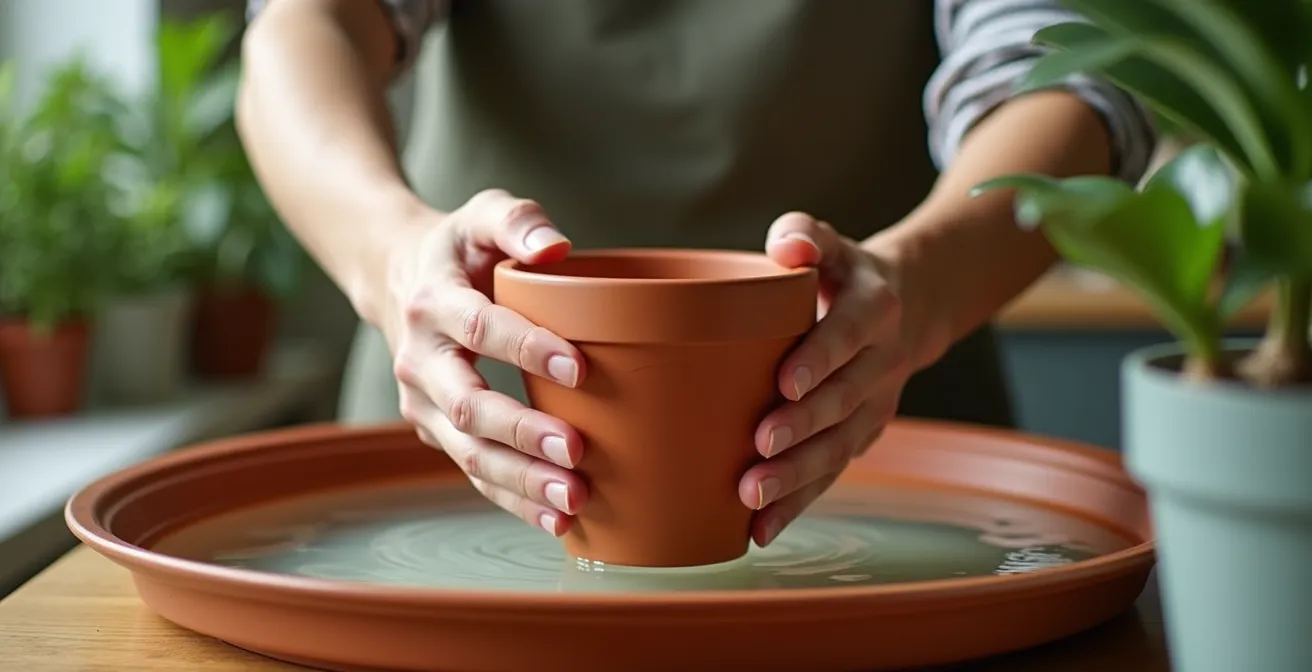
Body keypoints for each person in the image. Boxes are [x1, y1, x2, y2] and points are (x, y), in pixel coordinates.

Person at [237, 0, 1155, 548]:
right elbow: (305, 22)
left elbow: (1063, 69)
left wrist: (914, 291)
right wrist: (394, 256)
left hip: (874, 411)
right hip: (463, 419)